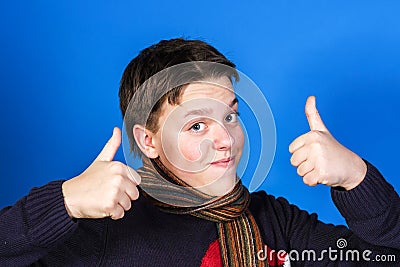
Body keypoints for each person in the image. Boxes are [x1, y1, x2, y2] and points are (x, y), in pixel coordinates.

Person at [0, 38, 399, 266]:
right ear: (148, 141)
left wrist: (356, 178)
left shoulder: (276, 224)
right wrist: (64, 203)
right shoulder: (108, 227)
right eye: (196, 125)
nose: (226, 139)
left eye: (230, 116)